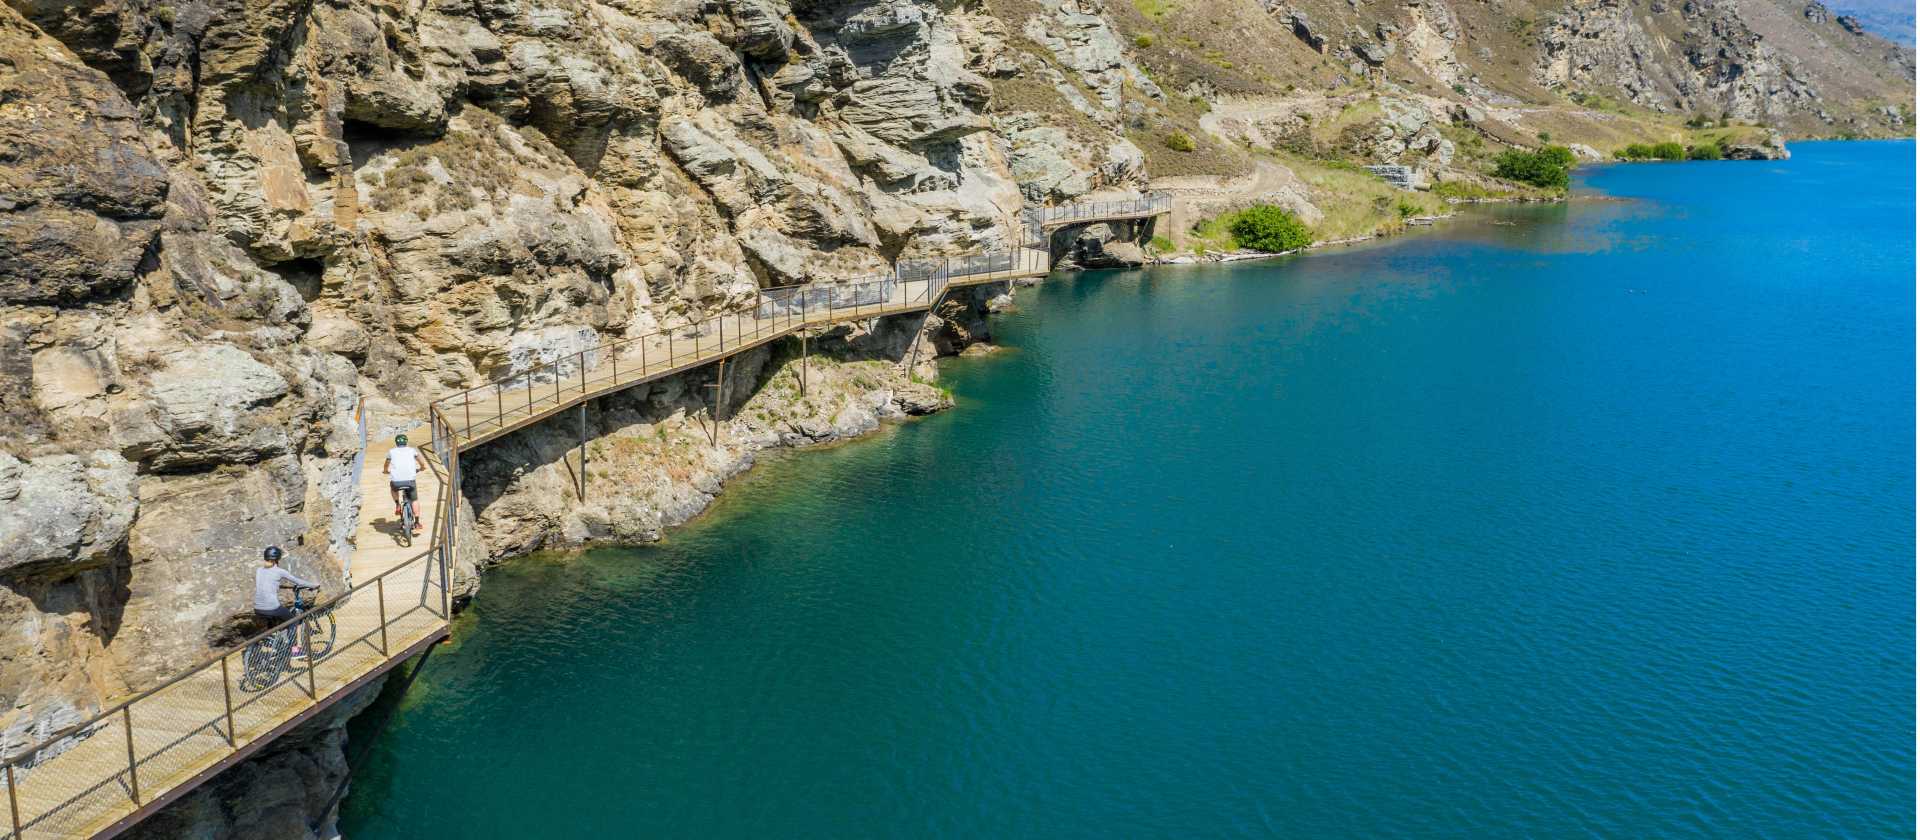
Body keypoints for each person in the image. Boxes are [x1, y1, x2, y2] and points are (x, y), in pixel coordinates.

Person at [254, 546, 317, 656]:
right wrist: (314, 585)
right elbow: (298, 581)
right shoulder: (279, 571)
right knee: (293, 621)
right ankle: (294, 649)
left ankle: (275, 647)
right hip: (271, 607)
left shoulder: (259, 570)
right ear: (277, 560)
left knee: (275, 624)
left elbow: (267, 584)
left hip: (258, 608)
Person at [384, 434, 426, 533]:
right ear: (406, 442)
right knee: (414, 500)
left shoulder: (391, 451)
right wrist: (422, 467)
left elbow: (386, 464)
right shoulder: (412, 451)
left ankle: (397, 504)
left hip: (397, 481)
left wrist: (385, 470)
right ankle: (417, 522)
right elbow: (421, 461)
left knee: (393, 487)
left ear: (396, 442)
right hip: (410, 481)